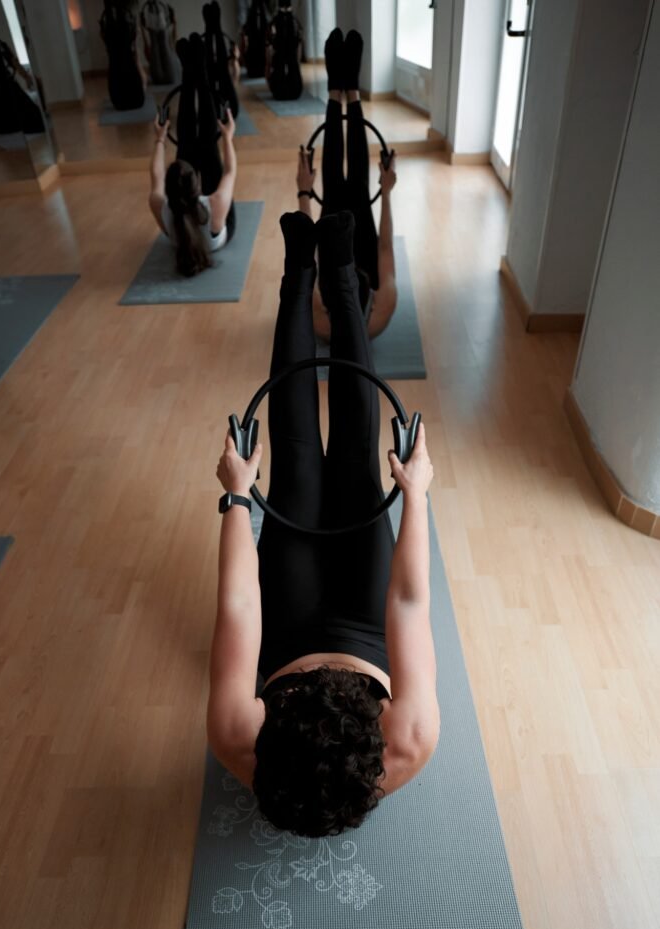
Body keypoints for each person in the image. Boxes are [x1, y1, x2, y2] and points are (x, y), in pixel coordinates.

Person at [208, 209, 440, 837]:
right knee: (354, 462)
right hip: (369, 624)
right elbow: (410, 602)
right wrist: (414, 495)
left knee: (301, 462)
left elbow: (238, 605)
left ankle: (300, 267)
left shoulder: (236, 736)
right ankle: (338, 270)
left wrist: (237, 498)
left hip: (288, 623)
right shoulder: (410, 739)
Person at [296, 28, 398, 340]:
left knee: (338, 190)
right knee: (356, 189)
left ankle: (335, 91)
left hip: (328, 237)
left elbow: (306, 251)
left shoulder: (320, 322)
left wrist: (303, 190)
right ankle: (349, 90)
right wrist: (387, 191)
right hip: (362, 232)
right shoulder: (381, 311)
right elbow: (383, 246)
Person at [148, 33, 236, 277]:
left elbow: (155, 176)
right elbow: (230, 171)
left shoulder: (161, 207)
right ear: (197, 184)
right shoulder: (215, 204)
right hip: (220, 226)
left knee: (191, 143)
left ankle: (191, 71)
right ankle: (199, 70)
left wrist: (159, 138)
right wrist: (227, 137)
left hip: (201, 220)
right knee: (207, 144)